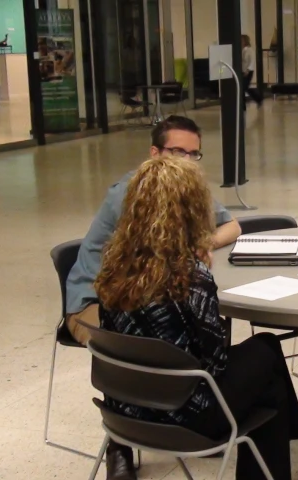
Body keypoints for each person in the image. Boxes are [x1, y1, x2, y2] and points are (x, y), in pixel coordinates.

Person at [95, 156, 298, 480]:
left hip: (128, 410)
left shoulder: (113, 264)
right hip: (185, 414)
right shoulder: (188, 277)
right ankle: (285, 447)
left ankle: (290, 437)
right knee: (266, 356)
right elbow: (215, 362)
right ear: (190, 210)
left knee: (268, 368)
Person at [65, 115, 242, 348]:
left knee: (198, 335)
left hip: (148, 297)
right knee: (172, 346)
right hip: (101, 304)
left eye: (193, 154)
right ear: (155, 153)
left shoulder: (184, 187)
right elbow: (161, 256)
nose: (187, 161)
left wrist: (204, 244)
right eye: (178, 152)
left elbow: (233, 226)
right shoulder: (134, 194)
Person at [241, 34, 263, 106]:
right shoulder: (242, 50)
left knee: (244, 87)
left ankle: (258, 98)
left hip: (248, 71)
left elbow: (252, 61)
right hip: (242, 71)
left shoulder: (250, 50)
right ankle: (244, 104)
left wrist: (248, 70)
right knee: (244, 88)